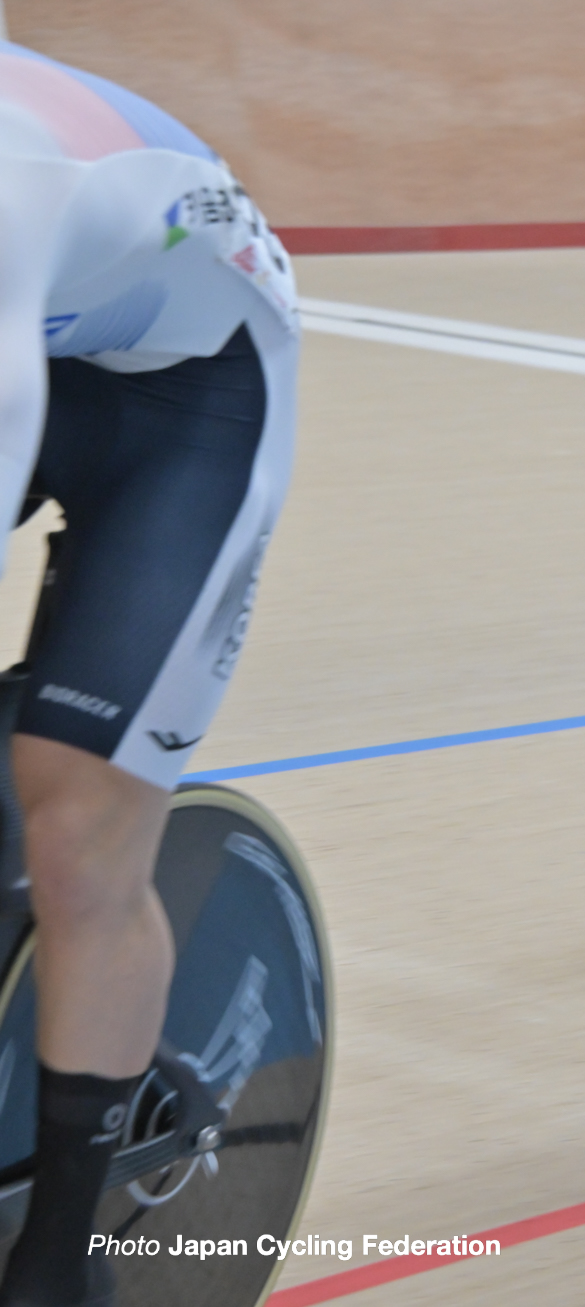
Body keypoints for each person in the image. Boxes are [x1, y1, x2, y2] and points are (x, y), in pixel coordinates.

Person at [0, 42, 298, 1307]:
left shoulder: (13, 183)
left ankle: (62, 1258)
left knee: (77, 822)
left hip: (192, 401)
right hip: (73, 331)